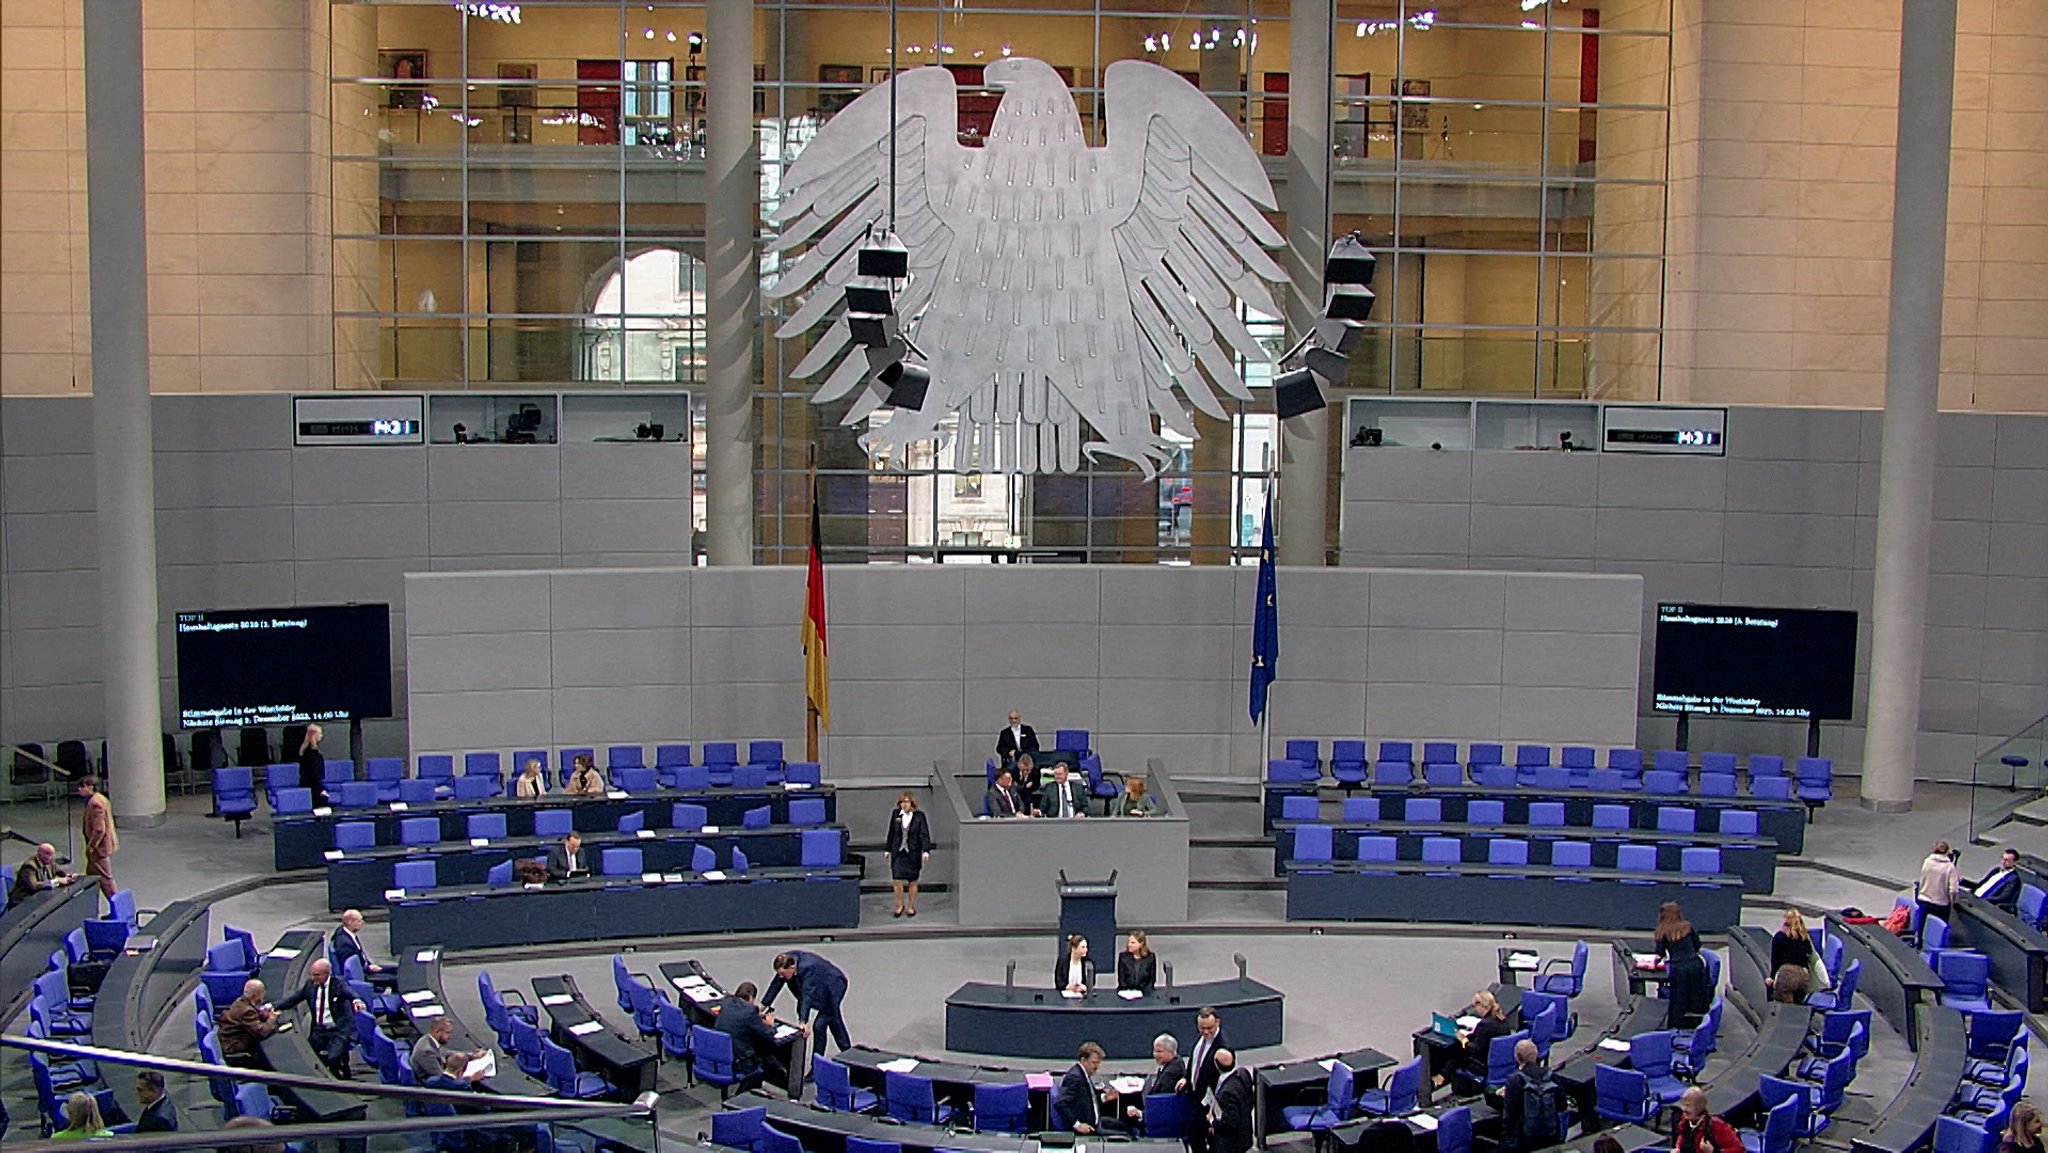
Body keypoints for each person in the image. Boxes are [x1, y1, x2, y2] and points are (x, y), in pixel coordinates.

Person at [272, 958, 363, 1078]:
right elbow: (293, 999)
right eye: (312, 974)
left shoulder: (338, 984)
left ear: (326, 974)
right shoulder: (310, 985)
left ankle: (337, 1079)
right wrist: (273, 1006)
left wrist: (356, 1000)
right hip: (319, 1030)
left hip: (338, 1030)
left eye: (317, 975)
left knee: (333, 1058)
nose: (313, 978)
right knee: (307, 1056)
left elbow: (350, 993)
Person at [765, 950, 850, 1055]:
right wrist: (762, 1006)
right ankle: (848, 1052)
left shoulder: (808, 968)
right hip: (820, 987)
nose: (781, 977)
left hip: (834, 987)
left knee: (819, 1025)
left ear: (792, 968)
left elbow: (807, 995)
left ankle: (817, 1062)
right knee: (834, 1020)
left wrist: (803, 1021)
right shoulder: (786, 961)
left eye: (782, 974)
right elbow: (775, 985)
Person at [714, 981, 789, 1091]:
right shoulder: (750, 1011)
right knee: (764, 1059)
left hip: (720, 1053)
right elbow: (766, 1034)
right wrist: (771, 1025)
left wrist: (756, 1018)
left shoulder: (726, 1003)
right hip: (739, 1060)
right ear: (750, 997)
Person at [1498, 1039, 1562, 1152]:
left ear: (1517, 1057)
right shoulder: (1551, 1075)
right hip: (1551, 1134)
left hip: (1525, 1139)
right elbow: (1562, 1106)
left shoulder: (1514, 1080)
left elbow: (1508, 1117)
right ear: (1536, 1054)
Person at [1657, 902, 1713, 1030]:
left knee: (1679, 1000)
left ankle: (1676, 1027)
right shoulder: (1688, 927)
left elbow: (1660, 953)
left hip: (1678, 968)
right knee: (1696, 998)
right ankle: (1698, 1026)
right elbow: (1697, 945)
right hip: (1696, 966)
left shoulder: (1662, 931)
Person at [1181, 1007, 1230, 1153]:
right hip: (1196, 1097)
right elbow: (1195, 1062)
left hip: (1210, 1104)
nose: (1206, 1032)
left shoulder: (1223, 1048)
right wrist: (1186, 1078)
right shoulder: (1202, 1040)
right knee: (1195, 1136)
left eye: (1209, 1028)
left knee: (1204, 1137)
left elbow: (1225, 1079)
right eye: (1202, 1028)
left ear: (1218, 1023)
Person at [1451, 989, 1513, 1092]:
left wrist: (1463, 1040)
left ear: (1481, 1005)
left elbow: (1476, 1050)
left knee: (1456, 1056)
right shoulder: (1502, 1020)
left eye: (1475, 1006)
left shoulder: (1484, 1025)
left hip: (1483, 1065)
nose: (1475, 1009)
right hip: (1498, 1061)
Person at [1057, 1041, 1122, 1134]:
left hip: (1095, 1121)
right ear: (1083, 1060)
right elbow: (1060, 1103)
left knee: (1124, 1126)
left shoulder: (1083, 1074)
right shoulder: (1075, 1077)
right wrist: (1077, 1125)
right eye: (1094, 1063)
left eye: (1098, 1063)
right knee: (1127, 1135)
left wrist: (1105, 1097)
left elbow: (1087, 1100)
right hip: (1087, 1128)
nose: (1097, 1067)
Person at [884, 791, 932, 918]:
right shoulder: (895, 815)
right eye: (902, 802)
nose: (904, 805)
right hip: (898, 852)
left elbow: (924, 834)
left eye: (906, 802)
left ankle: (911, 906)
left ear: (912, 803)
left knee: (912, 881)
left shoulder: (920, 816)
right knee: (897, 880)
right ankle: (899, 905)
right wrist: (888, 849)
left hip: (913, 852)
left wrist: (925, 850)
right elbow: (891, 833)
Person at [216, 978, 279, 1066]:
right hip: (233, 1048)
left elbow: (251, 1015)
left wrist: (261, 1014)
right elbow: (262, 1032)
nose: (264, 994)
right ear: (255, 996)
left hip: (226, 1041)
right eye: (262, 992)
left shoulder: (241, 1001)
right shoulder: (246, 1011)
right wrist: (272, 1018)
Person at [1125, 1034, 1188, 1123]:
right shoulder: (1173, 1064)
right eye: (1154, 1051)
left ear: (1171, 1052)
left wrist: (1141, 1114)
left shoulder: (1171, 1073)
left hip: (1161, 1119)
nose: (1155, 1055)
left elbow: (1162, 1102)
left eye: (1159, 1051)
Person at [413, 1015, 488, 1086]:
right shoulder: (427, 1052)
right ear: (437, 1032)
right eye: (448, 1033)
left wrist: (472, 1056)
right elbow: (443, 1081)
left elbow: (444, 1052)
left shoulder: (429, 1040)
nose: (450, 1036)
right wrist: (471, 1079)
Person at [331, 909, 396, 990]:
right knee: (395, 979)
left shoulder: (345, 931)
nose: (362, 923)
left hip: (366, 967)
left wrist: (370, 965)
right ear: (350, 922)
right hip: (365, 974)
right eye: (359, 921)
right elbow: (352, 969)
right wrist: (369, 968)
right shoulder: (345, 944)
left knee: (396, 969)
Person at [77, 774, 118, 899]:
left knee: (105, 879)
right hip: (97, 849)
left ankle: (117, 908)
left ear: (90, 787)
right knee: (91, 877)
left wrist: (91, 846)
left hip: (98, 849)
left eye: (82, 787)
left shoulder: (95, 803)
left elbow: (99, 829)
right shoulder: (100, 799)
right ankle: (88, 903)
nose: (79, 789)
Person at [1210, 1049, 1256, 1153]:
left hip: (1231, 1145)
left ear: (1216, 1065)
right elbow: (1250, 1102)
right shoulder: (1244, 1073)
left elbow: (1230, 1123)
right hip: (1245, 1133)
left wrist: (1213, 1122)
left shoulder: (1227, 1093)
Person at [1672, 1087, 1743, 1153]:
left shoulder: (1717, 1126)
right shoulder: (1685, 1120)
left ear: (1699, 1107)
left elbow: (1738, 1149)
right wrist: (1678, 1148)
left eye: (1688, 1105)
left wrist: (1714, 1151)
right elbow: (1681, 1135)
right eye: (1683, 1105)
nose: (1684, 1109)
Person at [1767, 908, 1815, 994]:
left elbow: (1775, 961)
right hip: (1803, 977)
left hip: (1786, 976)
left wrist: (1772, 977)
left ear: (1786, 924)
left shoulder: (1779, 938)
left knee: (1771, 987)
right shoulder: (1805, 938)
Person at [10, 842, 74, 903]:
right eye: (47, 854)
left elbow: (59, 871)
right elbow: (34, 886)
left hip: (41, 896)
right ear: (39, 854)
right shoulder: (29, 866)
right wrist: (57, 881)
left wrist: (68, 876)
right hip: (24, 899)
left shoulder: (49, 861)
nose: (50, 857)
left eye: (52, 854)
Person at [1918, 840, 1960, 929]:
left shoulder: (1927, 861)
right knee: (1938, 930)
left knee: (1922, 929)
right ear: (1947, 851)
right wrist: (1952, 903)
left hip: (1924, 901)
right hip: (1941, 904)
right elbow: (1953, 890)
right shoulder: (1950, 867)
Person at [1974, 847, 2024, 912]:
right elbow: (1979, 885)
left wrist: (1983, 899)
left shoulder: (2013, 879)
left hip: (1984, 904)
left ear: (2014, 862)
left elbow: (2003, 898)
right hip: (1974, 896)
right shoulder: (1996, 870)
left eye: (2007, 860)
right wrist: (1963, 882)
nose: (2003, 862)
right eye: (2002, 858)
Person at [299, 724, 330, 808]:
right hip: (313, 788)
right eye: (319, 734)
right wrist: (321, 790)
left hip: (315, 786)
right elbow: (313, 775)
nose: (321, 736)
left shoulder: (311, 752)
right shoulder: (310, 754)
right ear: (314, 735)